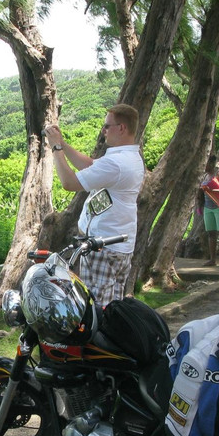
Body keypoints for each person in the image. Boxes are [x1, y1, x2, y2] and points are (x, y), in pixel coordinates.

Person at [44, 103, 145, 307]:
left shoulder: (116, 163)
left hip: (103, 249)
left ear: (122, 128)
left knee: (97, 310)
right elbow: (91, 166)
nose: (103, 130)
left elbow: (69, 183)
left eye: (107, 126)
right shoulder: (128, 157)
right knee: (113, 308)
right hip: (118, 245)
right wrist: (62, 142)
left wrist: (55, 148)